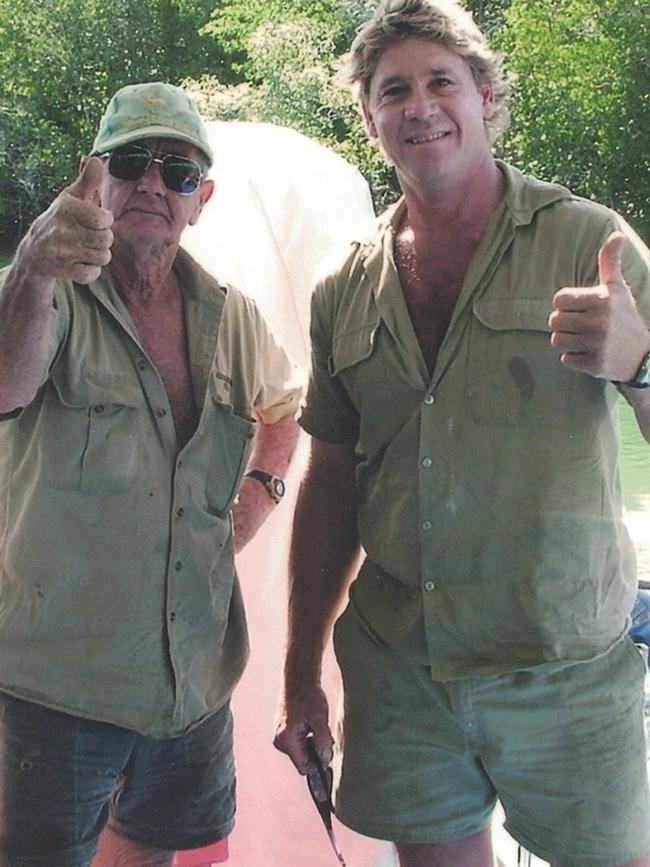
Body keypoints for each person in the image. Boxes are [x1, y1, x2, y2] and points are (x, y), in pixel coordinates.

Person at [273, 2, 650, 866]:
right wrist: (301, 674)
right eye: (391, 89)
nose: (419, 105)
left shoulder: (591, 240)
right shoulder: (343, 288)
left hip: (563, 669)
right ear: (370, 118)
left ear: (485, 96)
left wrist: (641, 364)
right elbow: (330, 485)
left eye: (441, 81)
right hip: (404, 671)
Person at [0, 81, 301, 867]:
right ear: (90, 174)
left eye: (178, 171)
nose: (153, 184)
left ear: (202, 198)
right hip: (54, 697)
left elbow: (284, 411)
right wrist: (31, 266)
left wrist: (255, 501)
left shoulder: (233, 316)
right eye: (131, 161)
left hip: (193, 689)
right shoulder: (47, 291)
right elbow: (4, 385)